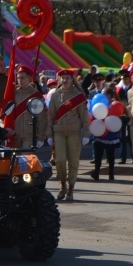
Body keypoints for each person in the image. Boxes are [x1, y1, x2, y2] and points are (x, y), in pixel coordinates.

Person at [46, 69, 90, 202]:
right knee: (59, 160)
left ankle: (71, 188)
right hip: (58, 131)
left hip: (74, 132)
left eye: (67, 78)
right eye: (63, 78)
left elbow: (84, 116)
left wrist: (86, 133)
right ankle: (62, 185)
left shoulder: (78, 96)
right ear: (59, 80)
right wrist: (49, 134)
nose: (65, 80)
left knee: (73, 161)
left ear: (72, 80)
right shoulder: (54, 95)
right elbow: (51, 116)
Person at [12, 64, 47, 149]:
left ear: (29, 79)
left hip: (29, 135)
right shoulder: (13, 94)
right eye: (18, 78)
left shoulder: (36, 95)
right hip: (14, 134)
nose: (20, 80)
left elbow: (42, 118)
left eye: (22, 78)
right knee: (14, 160)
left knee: (26, 160)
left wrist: (41, 137)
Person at [91, 88, 120, 182]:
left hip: (110, 135)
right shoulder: (98, 104)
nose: (102, 95)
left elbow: (118, 116)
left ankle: (111, 173)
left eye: (104, 94)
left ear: (110, 95)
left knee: (110, 156)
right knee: (98, 155)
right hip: (99, 133)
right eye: (101, 93)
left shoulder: (114, 104)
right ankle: (96, 173)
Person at [115, 69, 133, 164]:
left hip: (131, 115)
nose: (125, 80)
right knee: (122, 137)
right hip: (122, 114)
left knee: (131, 137)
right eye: (123, 78)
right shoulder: (119, 89)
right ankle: (123, 157)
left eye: (126, 78)